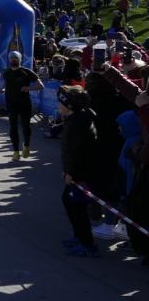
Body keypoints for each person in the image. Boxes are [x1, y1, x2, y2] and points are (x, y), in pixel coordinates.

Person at [58, 85, 101, 256]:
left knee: (77, 206)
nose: (58, 105)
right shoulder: (74, 119)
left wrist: (70, 172)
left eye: (61, 103)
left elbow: (78, 151)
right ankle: (79, 236)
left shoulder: (78, 123)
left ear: (69, 106)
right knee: (68, 201)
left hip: (82, 173)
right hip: (77, 171)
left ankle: (87, 244)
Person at [2, 50, 41, 161]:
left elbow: (40, 85)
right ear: (9, 60)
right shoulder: (6, 72)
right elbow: (7, 83)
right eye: (11, 58)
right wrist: (3, 88)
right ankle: (15, 151)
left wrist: (28, 88)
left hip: (24, 103)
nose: (13, 60)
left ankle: (26, 146)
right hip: (11, 103)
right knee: (13, 127)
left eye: (16, 58)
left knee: (25, 126)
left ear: (20, 59)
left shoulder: (26, 71)